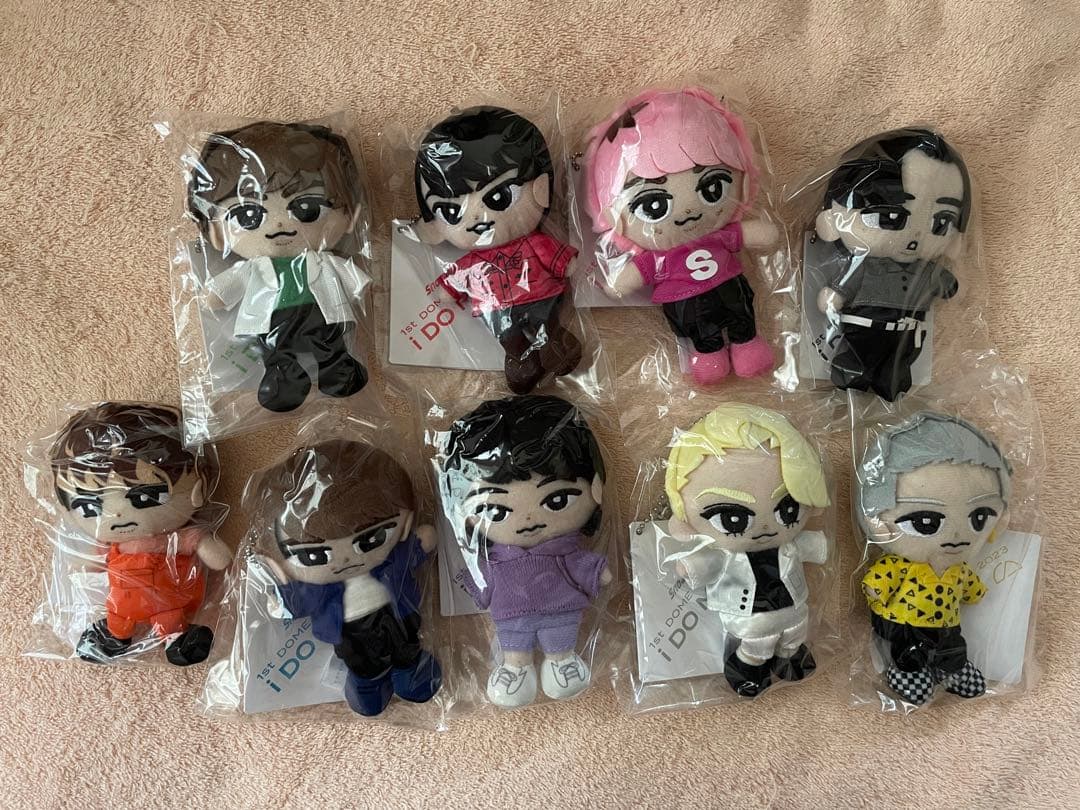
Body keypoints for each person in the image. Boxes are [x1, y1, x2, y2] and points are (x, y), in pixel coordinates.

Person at [584, 88, 778, 384]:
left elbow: (758, 234)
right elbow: (632, 276)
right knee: (701, 333)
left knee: (741, 314)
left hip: (729, 288)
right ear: (613, 216)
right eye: (653, 204)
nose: (687, 210)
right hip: (686, 304)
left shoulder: (719, 236)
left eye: (713, 187)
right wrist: (616, 283)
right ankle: (710, 354)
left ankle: (747, 343)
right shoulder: (658, 257)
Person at [441, 395, 610, 708]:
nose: (529, 521)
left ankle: (562, 661)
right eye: (496, 510)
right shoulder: (496, 560)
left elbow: (586, 566)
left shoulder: (564, 552)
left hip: (561, 611)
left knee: (560, 639)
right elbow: (481, 579)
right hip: (511, 617)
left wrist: (600, 572)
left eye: (557, 500)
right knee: (514, 643)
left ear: (596, 487)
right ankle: (516, 669)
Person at [188, 121, 370, 412]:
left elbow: (356, 281)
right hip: (273, 320)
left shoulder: (323, 260)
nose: (279, 224)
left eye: (307, 208)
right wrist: (215, 296)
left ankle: (336, 367)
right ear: (215, 233)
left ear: (349, 217)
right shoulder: (252, 268)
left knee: (328, 339)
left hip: (318, 313)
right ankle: (284, 378)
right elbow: (227, 286)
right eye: (248, 215)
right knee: (276, 348)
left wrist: (366, 288)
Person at [259, 439, 441, 717]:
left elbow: (413, 549)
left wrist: (418, 542)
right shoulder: (321, 590)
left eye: (371, 539)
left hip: (395, 618)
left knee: (405, 645)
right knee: (362, 662)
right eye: (314, 555)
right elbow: (298, 600)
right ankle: (368, 683)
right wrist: (280, 597)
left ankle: (410, 668)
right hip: (351, 634)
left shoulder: (389, 564)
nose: (344, 560)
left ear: (404, 523)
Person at [663, 403, 831, 696]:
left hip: (793, 609)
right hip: (752, 618)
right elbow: (707, 563)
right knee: (757, 644)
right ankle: (749, 665)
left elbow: (814, 545)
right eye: (732, 518)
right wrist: (689, 566)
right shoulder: (728, 556)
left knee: (794, 634)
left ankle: (790, 655)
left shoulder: (789, 546)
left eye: (788, 510)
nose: (766, 528)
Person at [414, 107, 582, 393]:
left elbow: (559, 259)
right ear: (434, 226)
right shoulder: (472, 262)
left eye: (499, 196)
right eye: (452, 212)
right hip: (498, 310)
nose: (478, 218)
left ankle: (554, 342)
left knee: (547, 323)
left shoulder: (533, 242)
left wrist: (569, 264)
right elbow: (453, 282)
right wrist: (447, 291)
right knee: (509, 337)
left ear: (541, 188)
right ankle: (519, 357)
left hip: (541, 298)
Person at [49, 402, 230, 665]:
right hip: (121, 604)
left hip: (167, 603)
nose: (116, 515)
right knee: (118, 620)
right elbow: (90, 563)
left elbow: (214, 555)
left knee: (170, 620)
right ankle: (113, 638)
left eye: (145, 497)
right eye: (89, 506)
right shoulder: (109, 544)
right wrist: (82, 565)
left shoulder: (171, 539)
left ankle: (177, 640)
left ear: (198, 487)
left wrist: (206, 545)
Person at [857, 412, 1010, 705]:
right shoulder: (901, 565)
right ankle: (908, 671)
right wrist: (876, 590)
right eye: (924, 522)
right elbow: (881, 579)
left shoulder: (958, 569)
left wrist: (977, 592)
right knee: (909, 651)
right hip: (904, 622)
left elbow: (972, 589)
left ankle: (952, 668)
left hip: (947, 624)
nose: (956, 535)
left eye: (979, 518)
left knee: (953, 647)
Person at [814, 128, 970, 401]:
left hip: (906, 333)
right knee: (857, 357)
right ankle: (852, 371)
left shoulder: (925, 270)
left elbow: (945, 285)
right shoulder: (865, 265)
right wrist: (835, 295)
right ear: (834, 219)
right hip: (863, 326)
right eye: (889, 216)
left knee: (895, 371)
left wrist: (948, 284)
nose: (915, 236)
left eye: (941, 222)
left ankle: (891, 378)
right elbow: (844, 286)